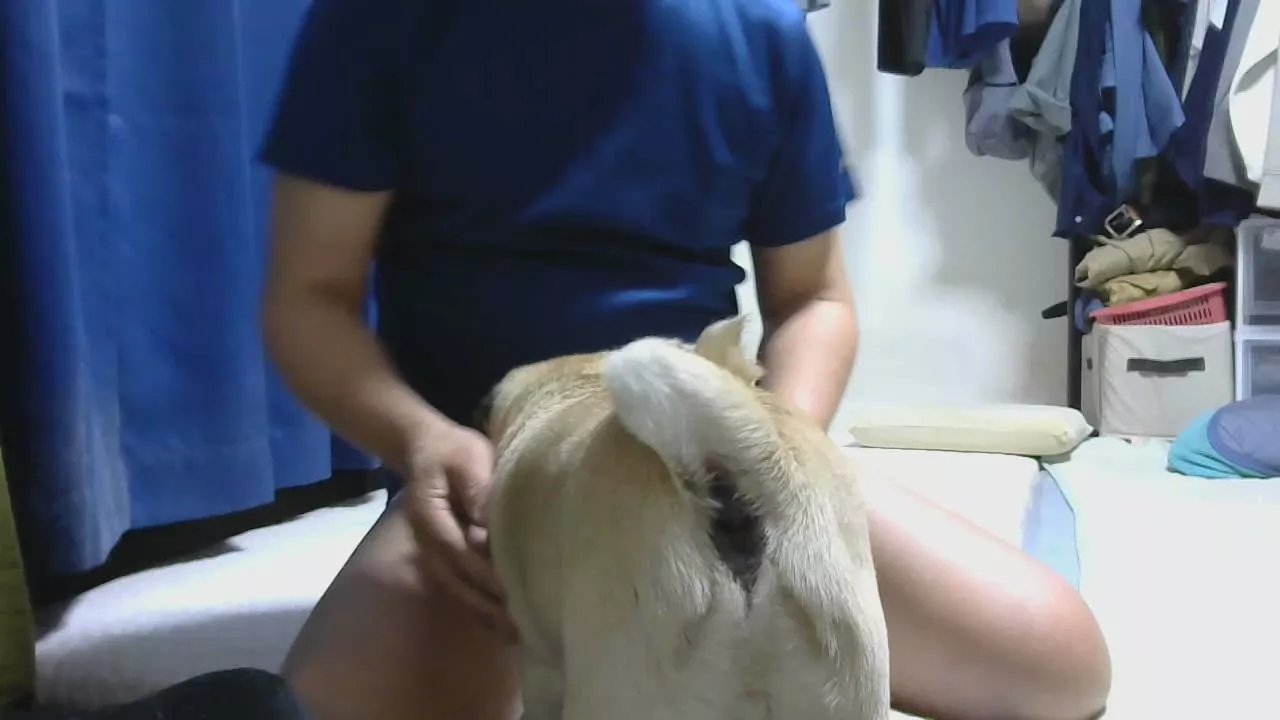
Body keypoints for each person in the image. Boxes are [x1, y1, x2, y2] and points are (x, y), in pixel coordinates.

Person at [259, 1, 1112, 719]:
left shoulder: (755, 28)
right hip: (490, 480)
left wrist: (775, 454)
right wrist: (422, 443)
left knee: (1058, 667)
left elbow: (814, 299)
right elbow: (310, 299)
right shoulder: (382, 22)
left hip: (706, 446)